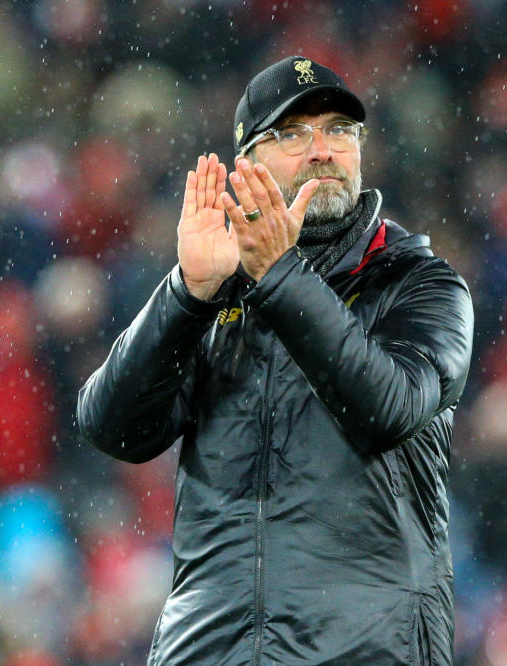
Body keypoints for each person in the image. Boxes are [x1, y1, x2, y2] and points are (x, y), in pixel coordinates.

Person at [77, 55, 474, 665]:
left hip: (367, 651)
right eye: (291, 134)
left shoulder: (419, 284)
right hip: (209, 649)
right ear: (246, 166)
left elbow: (388, 409)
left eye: (340, 130)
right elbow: (113, 428)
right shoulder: (213, 294)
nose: (322, 150)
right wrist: (187, 293)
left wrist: (278, 276)